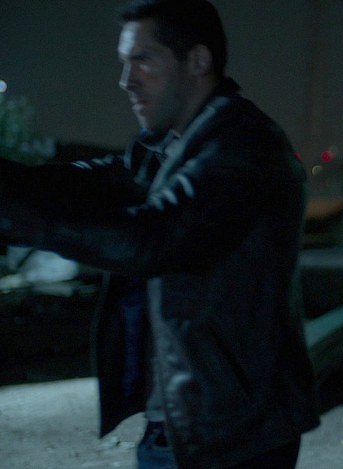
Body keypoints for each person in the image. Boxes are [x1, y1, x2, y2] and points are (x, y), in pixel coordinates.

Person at [0, 0, 319, 467]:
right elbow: (92, 183)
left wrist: (18, 220)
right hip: (185, 420)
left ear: (198, 60)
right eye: (123, 62)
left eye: (143, 60)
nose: (126, 81)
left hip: (233, 429)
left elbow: (152, 240)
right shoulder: (169, 145)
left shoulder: (243, 146)